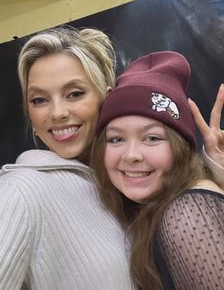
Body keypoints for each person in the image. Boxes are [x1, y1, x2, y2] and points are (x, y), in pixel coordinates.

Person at [0, 27, 136, 290]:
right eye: (39, 100)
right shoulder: (19, 192)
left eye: (74, 94)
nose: (58, 112)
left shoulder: (121, 180)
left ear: (106, 97)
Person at [91, 51, 224, 290]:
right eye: (116, 139)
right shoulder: (160, 206)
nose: (131, 155)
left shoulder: (187, 214)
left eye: (151, 138)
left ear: (180, 148)